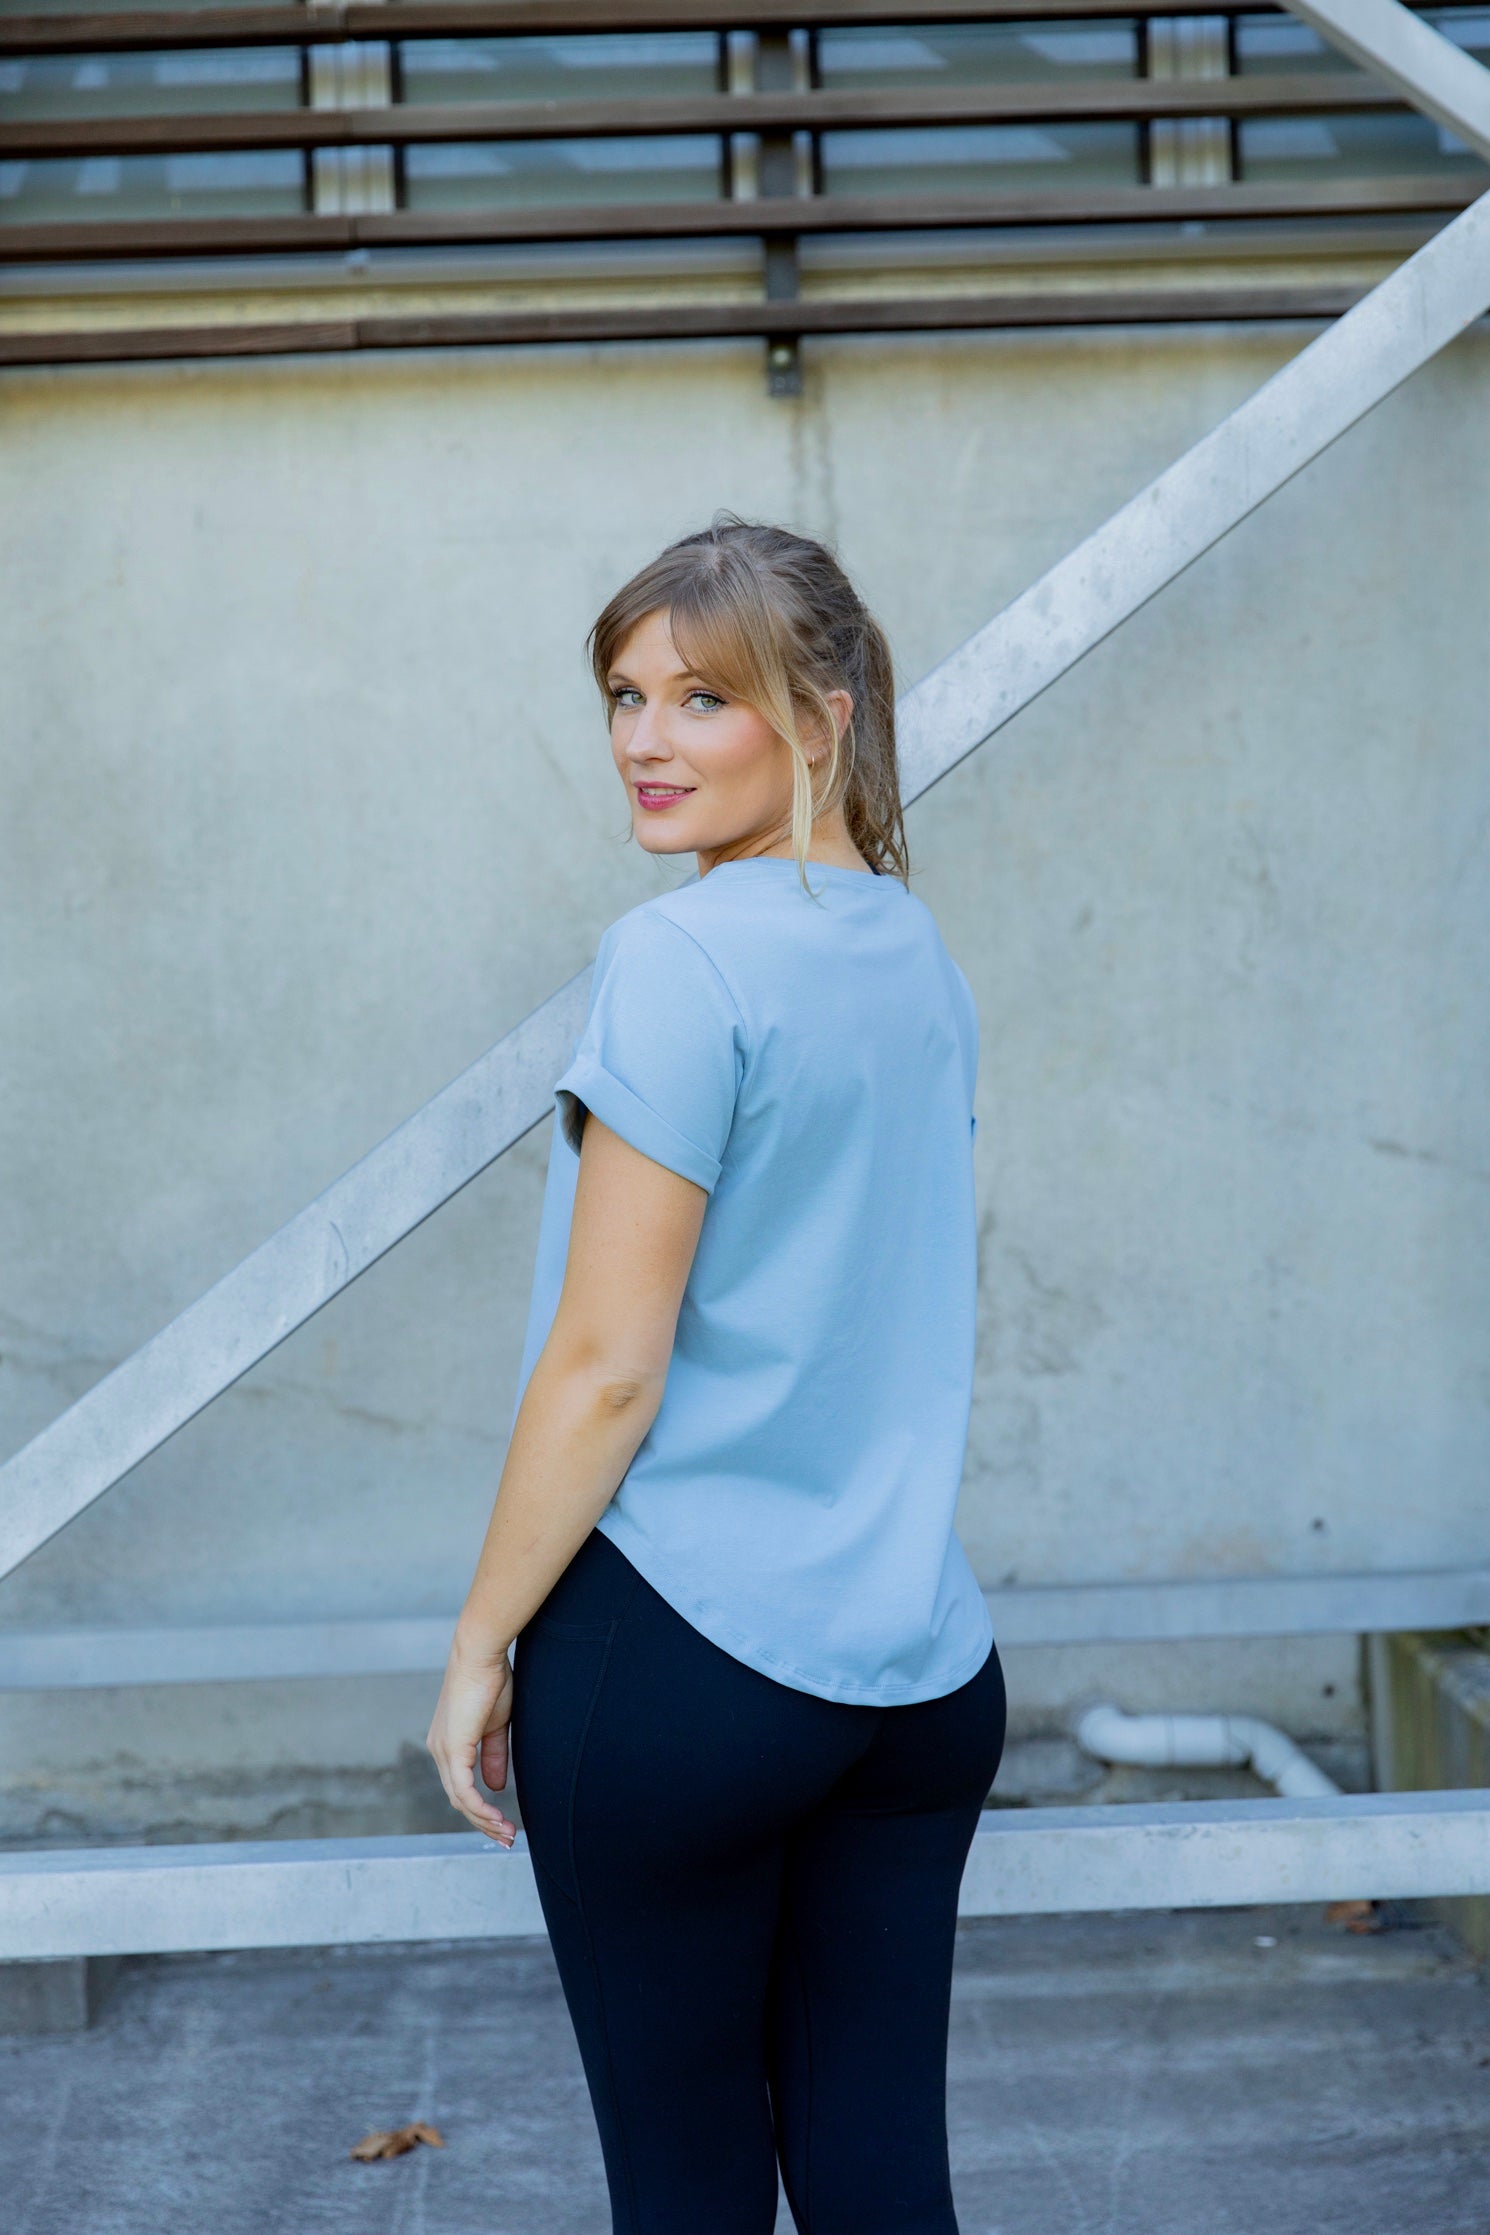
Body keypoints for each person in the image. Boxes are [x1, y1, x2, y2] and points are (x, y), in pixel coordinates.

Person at [426, 516, 1006, 2233]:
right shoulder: (912, 953)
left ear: (820, 719)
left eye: (700, 699)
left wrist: (477, 1648)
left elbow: (609, 1366)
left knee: (684, 2198)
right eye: (622, 694)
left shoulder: (678, 960)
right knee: (880, 2180)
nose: (642, 741)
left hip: (682, 1666)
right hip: (915, 1676)